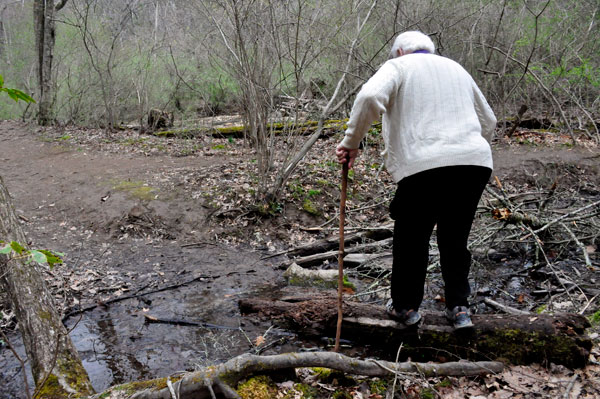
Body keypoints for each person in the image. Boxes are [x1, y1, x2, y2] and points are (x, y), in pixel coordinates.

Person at [336, 31, 496, 329]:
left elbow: (370, 97)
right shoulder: (456, 68)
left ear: (398, 52)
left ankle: (406, 309)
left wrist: (351, 143)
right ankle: (460, 309)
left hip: (424, 165)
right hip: (474, 163)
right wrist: (465, 146)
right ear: (430, 50)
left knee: (412, 238)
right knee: (455, 238)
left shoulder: (398, 67)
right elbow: (489, 121)